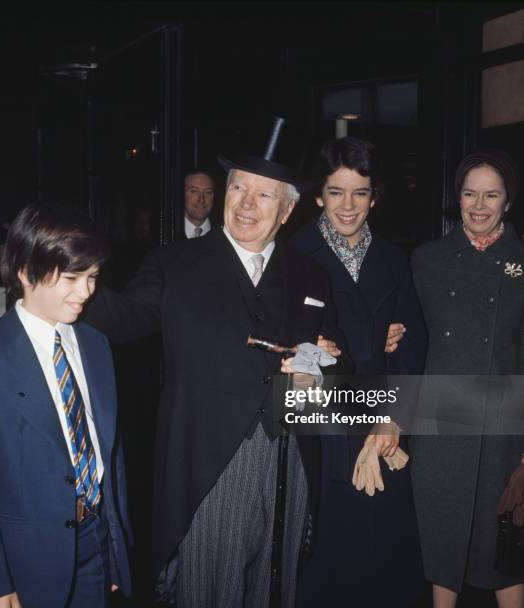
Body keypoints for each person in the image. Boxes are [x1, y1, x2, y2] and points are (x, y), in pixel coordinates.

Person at [84, 121, 349, 607]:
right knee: (210, 591)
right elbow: (121, 319)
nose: (246, 204)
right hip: (206, 465)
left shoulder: (312, 274)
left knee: (279, 591)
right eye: (239, 188)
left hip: (291, 462)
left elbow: (333, 356)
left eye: (264, 195)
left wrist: (322, 369)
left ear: (288, 209)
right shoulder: (174, 264)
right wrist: (66, 277)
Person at [0, 203, 132, 608]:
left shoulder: (96, 346)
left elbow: (110, 457)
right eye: (72, 277)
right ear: (26, 272)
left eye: (93, 277)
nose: (86, 291)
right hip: (23, 562)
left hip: (95, 546)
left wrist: (117, 553)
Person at [290, 136, 426, 607]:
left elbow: (414, 348)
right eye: (336, 192)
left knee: (385, 560)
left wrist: (395, 418)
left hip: (383, 424)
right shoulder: (294, 256)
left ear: (375, 196)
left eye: (360, 193)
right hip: (321, 431)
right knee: (324, 561)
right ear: (317, 196)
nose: (348, 206)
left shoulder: (393, 259)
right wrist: (364, 342)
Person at [410, 150, 524, 608]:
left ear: (507, 202)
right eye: (470, 193)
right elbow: (412, 338)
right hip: (442, 419)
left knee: (508, 547)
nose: (479, 205)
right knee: (444, 540)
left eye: (491, 195)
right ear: (456, 198)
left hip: (506, 421)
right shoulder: (427, 259)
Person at [183, 169, 215, 238]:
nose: (201, 200)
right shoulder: (165, 235)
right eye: (194, 191)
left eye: (208, 192)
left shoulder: (226, 234)